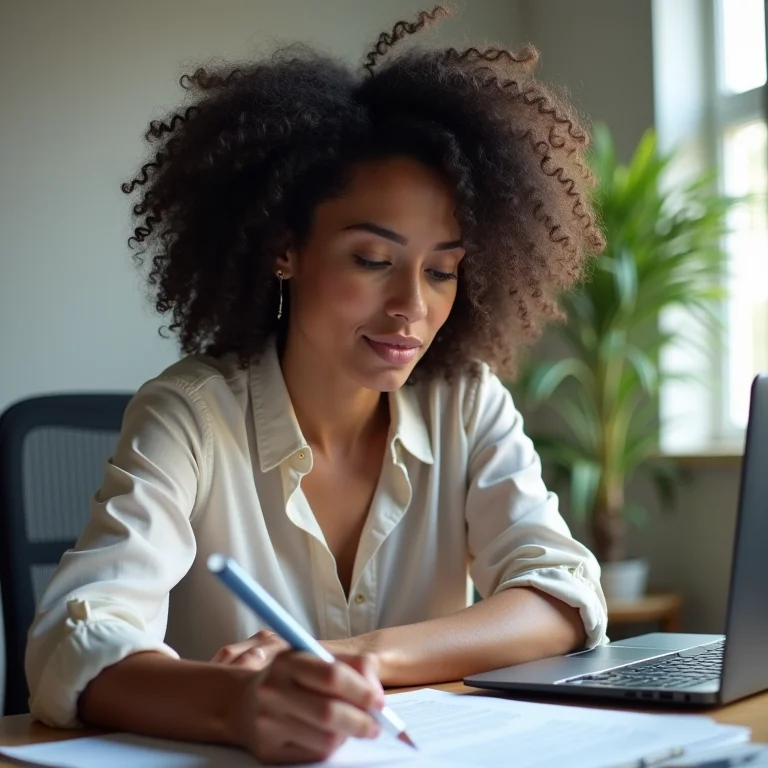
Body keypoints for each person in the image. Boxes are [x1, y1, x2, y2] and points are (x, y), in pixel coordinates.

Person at [25, 5, 608, 764]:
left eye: (441, 271)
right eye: (372, 259)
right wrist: (240, 704)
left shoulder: (465, 403)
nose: (412, 306)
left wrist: (360, 658)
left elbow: (563, 596)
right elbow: (72, 640)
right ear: (283, 250)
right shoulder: (191, 419)